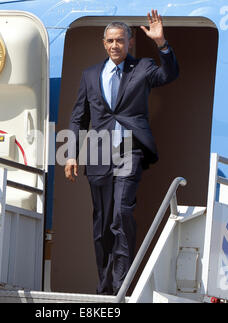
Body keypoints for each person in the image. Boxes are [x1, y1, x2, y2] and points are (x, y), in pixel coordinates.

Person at [64, 10, 179, 295]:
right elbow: (79, 117)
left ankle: (121, 287)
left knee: (121, 214)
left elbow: (169, 74)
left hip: (130, 150)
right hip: (99, 155)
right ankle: (104, 289)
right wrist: (70, 154)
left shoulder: (142, 68)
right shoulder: (90, 75)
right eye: (110, 41)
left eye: (120, 40)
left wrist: (162, 43)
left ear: (129, 43)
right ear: (104, 43)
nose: (115, 45)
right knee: (102, 225)